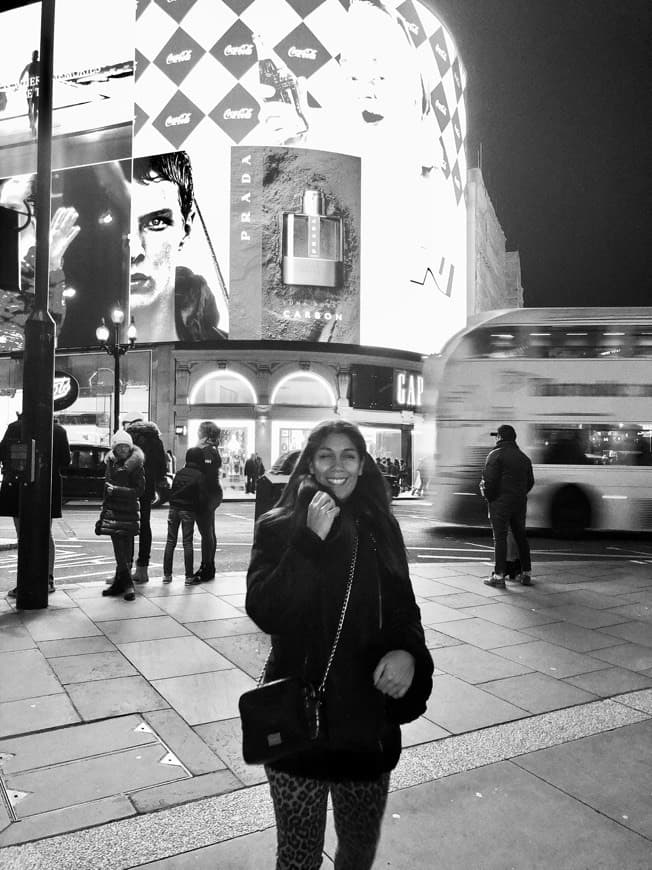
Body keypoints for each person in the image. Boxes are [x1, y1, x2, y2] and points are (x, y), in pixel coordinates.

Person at [246, 419, 434, 870]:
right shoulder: (279, 527)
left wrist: (408, 653)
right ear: (309, 462)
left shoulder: (381, 528)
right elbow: (266, 611)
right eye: (326, 455)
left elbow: (405, 609)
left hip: (365, 723)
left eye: (349, 454)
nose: (338, 465)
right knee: (297, 856)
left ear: (363, 463)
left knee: (358, 850)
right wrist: (309, 540)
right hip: (298, 724)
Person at [130, 152, 226, 343]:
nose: (135, 250)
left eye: (156, 222)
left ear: (186, 227)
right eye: (121, 225)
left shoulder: (221, 349)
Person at [1, 414, 70, 597]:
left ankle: (23, 581)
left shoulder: (15, 427)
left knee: (22, 534)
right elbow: (65, 461)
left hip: (18, 486)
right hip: (48, 486)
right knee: (45, 534)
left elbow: (2, 454)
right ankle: (48, 579)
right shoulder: (59, 431)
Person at [480, 424, 535, 588]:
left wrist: (490, 498)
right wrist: (519, 494)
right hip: (519, 503)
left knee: (500, 538)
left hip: (500, 503)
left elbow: (488, 481)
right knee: (520, 537)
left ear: (500, 437)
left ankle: (499, 576)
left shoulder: (495, 455)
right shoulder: (524, 458)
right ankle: (526, 573)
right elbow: (530, 482)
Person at [96, 430, 145, 602]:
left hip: (129, 511)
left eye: (126, 446)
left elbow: (139, 490)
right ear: (114, 448)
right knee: (120, 551)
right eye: (120, 446)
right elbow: (106, 489)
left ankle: (126, 584)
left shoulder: (135, 465)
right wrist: (103, 512)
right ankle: (123, 584)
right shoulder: (110, 463)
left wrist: (117, 491)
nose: (123, 449)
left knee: (127, 550)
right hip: (113, 511)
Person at [125, 419, 168, 584]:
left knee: (127, 525)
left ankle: (125, 569)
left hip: (131, 484)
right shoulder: (156, 439)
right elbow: (161, 465)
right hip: (148, 485)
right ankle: (142, 570)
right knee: (145, 525)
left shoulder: (130, 437)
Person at [162, 447, 208, 585]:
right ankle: (188, 577)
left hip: (174, 508)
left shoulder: (179, 473)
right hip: (188, 510)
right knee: (187, 542)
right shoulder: (200, 475)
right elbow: (202, 497)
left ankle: (167, 576)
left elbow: (173, 490)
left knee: (170, 541)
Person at [190, 421, 223, 583]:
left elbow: (207, 475)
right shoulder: (211, 449)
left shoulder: (207, 450)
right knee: (209, 531)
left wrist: (202, 496)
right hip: (211, 494)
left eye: (199, 430)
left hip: (206, 495)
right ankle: (209, 566)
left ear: (204, 434)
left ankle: (206, 567)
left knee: (206, 532)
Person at [19, 50, 39, 137]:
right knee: (33, 108)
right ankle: (32, 124)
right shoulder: (34, 65)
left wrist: (19, 82)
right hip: (35, 88)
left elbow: (21, 75)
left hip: (33, 88)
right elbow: (21, 75)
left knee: (33, 108)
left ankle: (33, 125)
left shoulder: (30, 65)